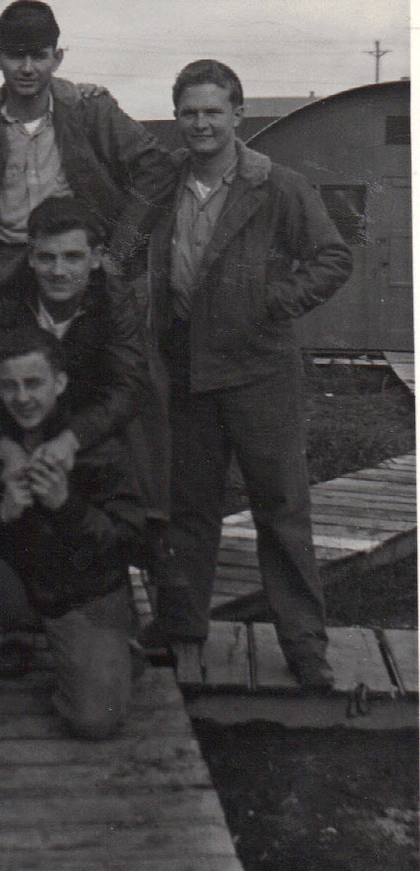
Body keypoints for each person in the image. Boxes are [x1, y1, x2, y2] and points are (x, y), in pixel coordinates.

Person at [142, 60, 353, 688]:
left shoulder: (276, 185)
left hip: (260, 371)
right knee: (190, 508)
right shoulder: (164, 187)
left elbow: (332, 257)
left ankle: (304, 645)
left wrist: (273, 302)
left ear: (238, 114)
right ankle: (182, 624)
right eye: (189, 112)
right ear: (176, 117)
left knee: (281, 507)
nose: (201, 124)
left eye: (213, 111)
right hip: (187, 370)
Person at [0, 327, 149, 735]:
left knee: (96, 720)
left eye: (34, 383)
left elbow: (133, 542)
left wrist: (68, 507)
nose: (22, 398)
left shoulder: (95, 445)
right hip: (18, 589)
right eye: (9, 386)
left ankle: (114, 649)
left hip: (84, 597)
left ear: (60, 382)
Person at [0, 194, 173, 583]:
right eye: (46, 257)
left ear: (96, 258)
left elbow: (127, 383)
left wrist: (72, 438)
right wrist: (5, 446)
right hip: (15, 403)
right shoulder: (1, 293)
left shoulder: (115, 299)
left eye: (72, 257)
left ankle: (150, 534)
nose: (59, 270)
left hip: (87, 405)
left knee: (146, 406)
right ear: (30, 257)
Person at [0, 0, 173, 298]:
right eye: (16, 56)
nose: (28, 68)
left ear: (57, 58)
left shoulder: (89, 111)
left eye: (39, 56)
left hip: (83, 269)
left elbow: (157, 170)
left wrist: (116, 254)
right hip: (7, 272)